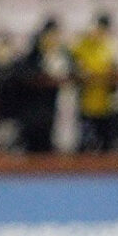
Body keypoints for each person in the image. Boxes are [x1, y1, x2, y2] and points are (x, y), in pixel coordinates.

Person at [17, 18, 71, 153]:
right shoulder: (35, 52)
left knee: (47, 136)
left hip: (51, 102)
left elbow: (71, 69)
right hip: (33, 104)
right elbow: (26, 71)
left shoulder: (62, 52)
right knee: (34, 138)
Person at [72, 12, 118, 151]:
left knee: (105, 143)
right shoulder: (83, 45)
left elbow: (113, 73)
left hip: (106, 103)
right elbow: (73, 63)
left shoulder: (110, 48)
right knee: (85, 143)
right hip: (86, 102)